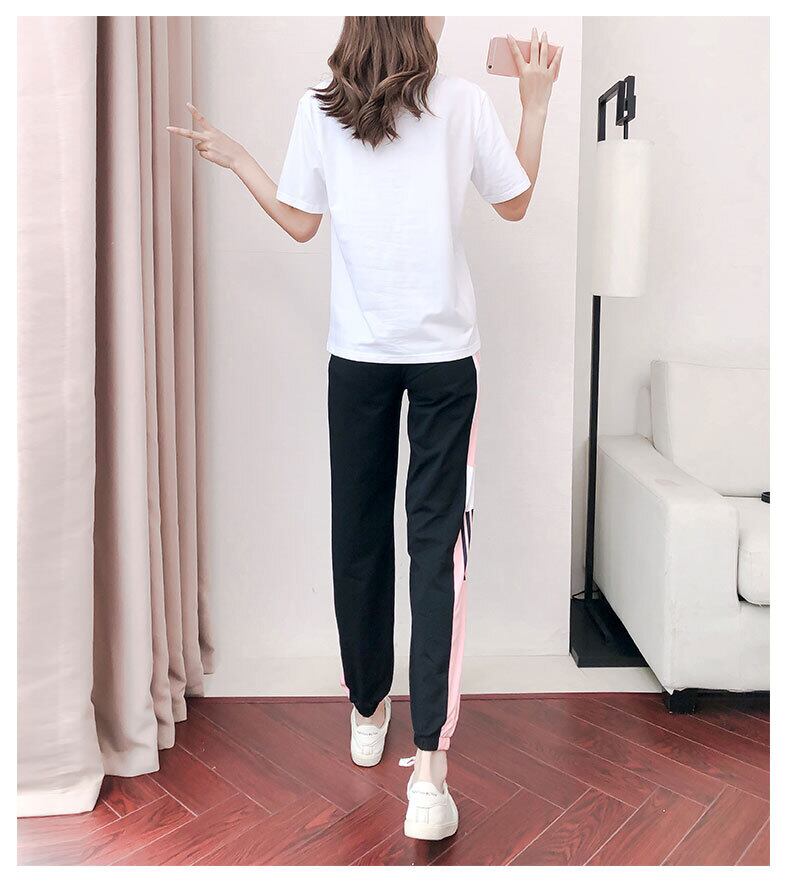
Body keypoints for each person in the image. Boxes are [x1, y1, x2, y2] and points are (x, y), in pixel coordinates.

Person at [168, 16, 561, 842]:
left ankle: (385, 721)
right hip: (427, 360)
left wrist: (240, 160)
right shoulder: (429, 104)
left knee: (375, 542)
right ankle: (414, 755)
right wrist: (535, 105)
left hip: (379, 361)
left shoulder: (348, 107)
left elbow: (301, 222)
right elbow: (516, 201)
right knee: (424, 551)